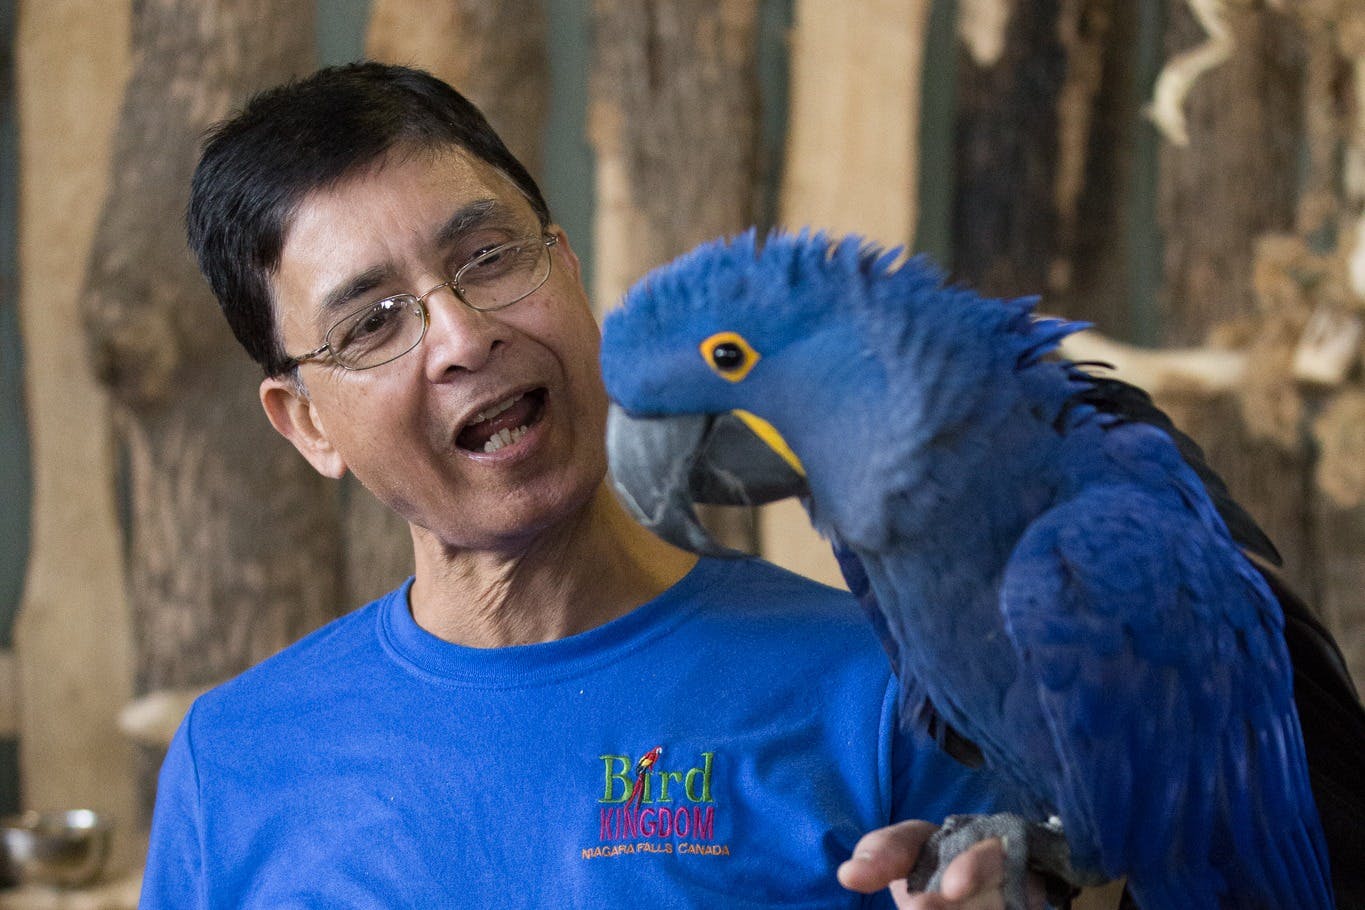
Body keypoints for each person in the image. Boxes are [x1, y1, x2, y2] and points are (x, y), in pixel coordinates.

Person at [141, 62, 1043, 909]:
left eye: (489, 259)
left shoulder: (884, 694)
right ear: (306, 424)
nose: (462, 336)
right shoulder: (233, 761)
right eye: (373, 323)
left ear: (567, 269)